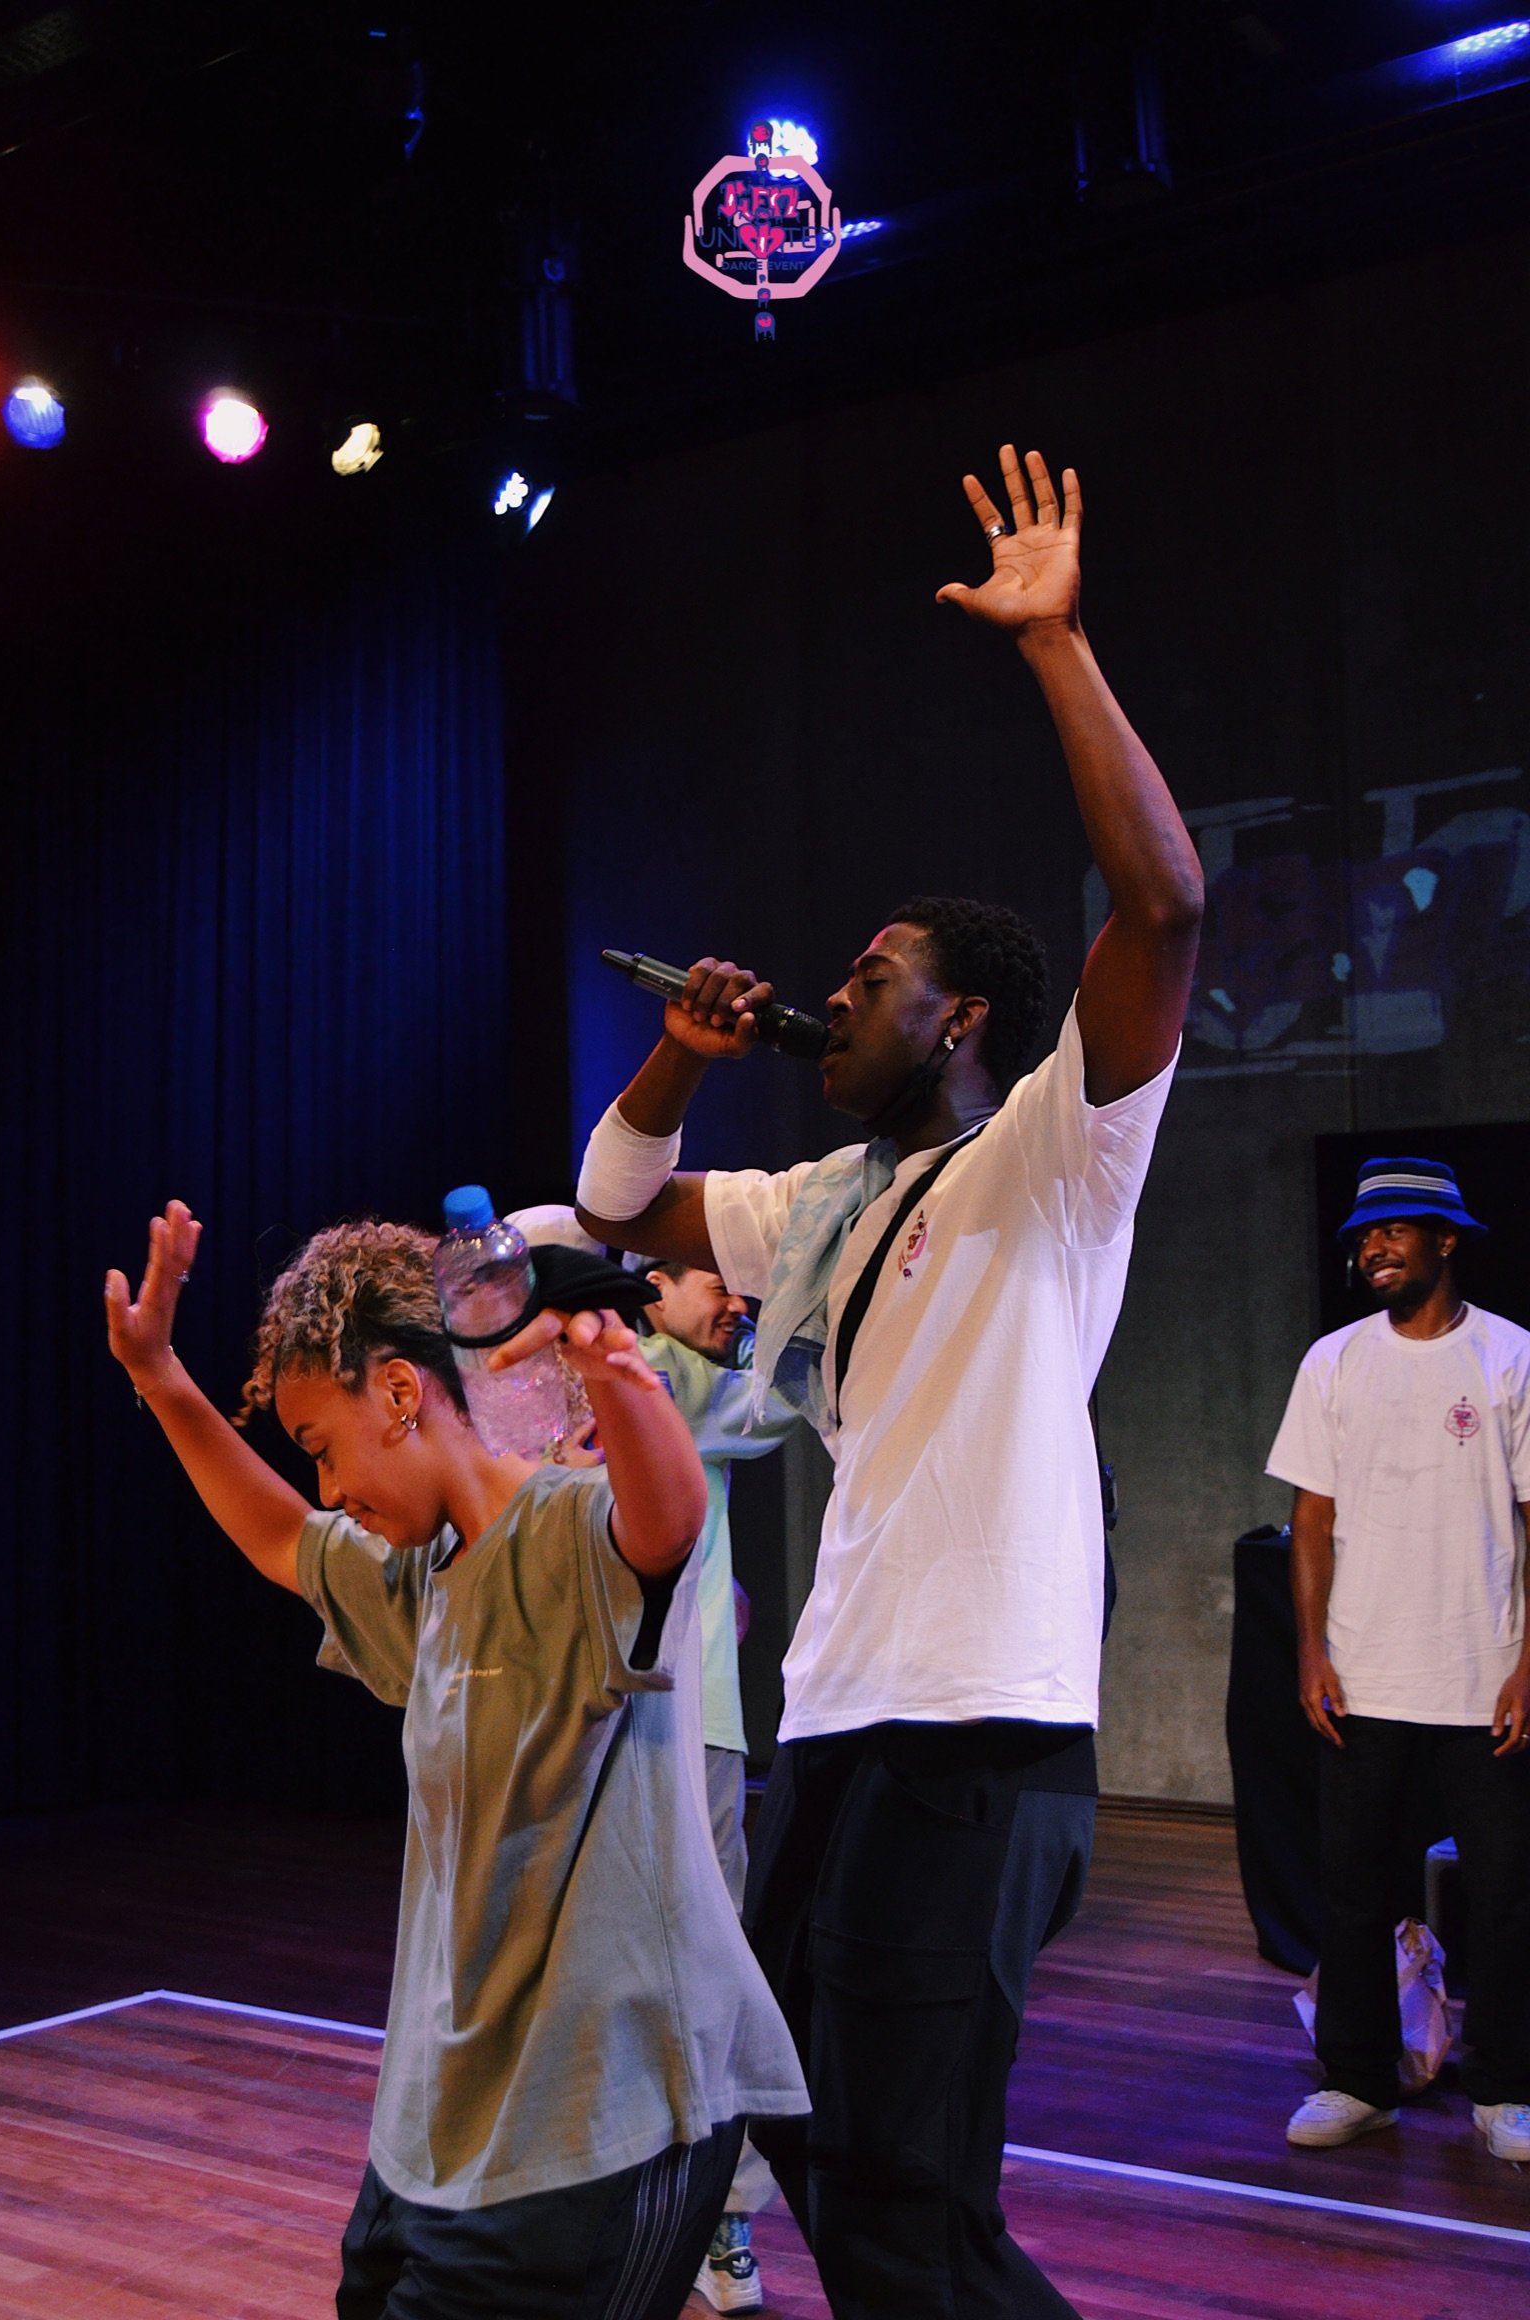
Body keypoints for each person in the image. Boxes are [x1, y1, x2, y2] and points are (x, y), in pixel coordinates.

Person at [575, 441, 1204, 2319]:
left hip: (982, 1725)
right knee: (832, 2158)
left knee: (915, 2189)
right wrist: (678, 1057)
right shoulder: (818, 1199)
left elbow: (1163, 910)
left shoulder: (1043, 1159)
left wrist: (1055, 646)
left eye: (874, 976)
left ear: (966, 1021)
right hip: (843, 1717)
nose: (834, 995)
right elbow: (614, 1201)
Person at [104, 1199, 808, 2320]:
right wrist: (155, 1373)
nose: (331, 1490)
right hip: (449, 2128)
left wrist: (611, 1356)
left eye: (323, 1447)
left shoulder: (569, 1530)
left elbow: (667, 1523)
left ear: (396, 1391)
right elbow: (283, 1536)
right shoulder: (422, 1575)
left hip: (603, 2123)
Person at [1267, 1156, 1530, 2161]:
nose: (1373, 1247)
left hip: (1484, 1669)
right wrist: (1311, 1651)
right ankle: (1357, 2079)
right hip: (1364, 1669)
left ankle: (1505, 2087)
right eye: (1363, 1236)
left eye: (1397, 1230)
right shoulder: (1332, 1361)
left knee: (1505, 1890)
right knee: (1352, 1886)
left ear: (1447, 1240)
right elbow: (1311, 1517)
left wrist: (1527, 1665)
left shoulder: (1511, 1358)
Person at [635, 1256, 798, 2315]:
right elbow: (794, 1395)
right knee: (698, 1971)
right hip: (655, 1727)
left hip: (684, 1725)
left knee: (703, 1969)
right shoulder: (657, 1378)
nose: (731, 1299)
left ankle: (713, 2219)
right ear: (644, 1285)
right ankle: (698, 2216)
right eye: (709, 1278)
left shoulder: (638, 1379)